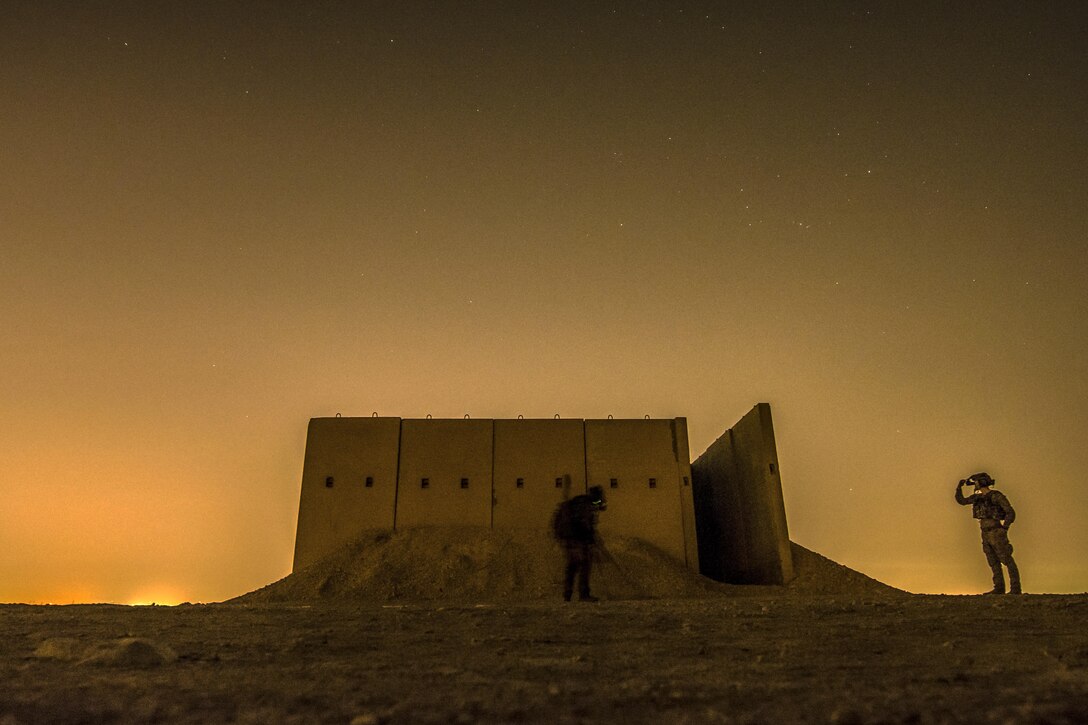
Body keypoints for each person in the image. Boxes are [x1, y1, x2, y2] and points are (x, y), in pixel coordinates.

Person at [955, 472, 1021, 594]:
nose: (976, 485)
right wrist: (959, 488)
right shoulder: (977, 498)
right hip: (985, 532)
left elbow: (1010, 512)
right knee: (993, 561)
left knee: (1006, 559)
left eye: (977, 482)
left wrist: (1004, 528)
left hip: (996, 531)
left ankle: (1015, 589)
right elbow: (962, 501)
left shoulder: (996, 496)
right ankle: (999, 588)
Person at [552, 485, 607, 602]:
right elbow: (584, 525)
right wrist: (589, 539)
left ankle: (567, 594)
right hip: (577, 539)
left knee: (572, 566)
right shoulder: (586, 505)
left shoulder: (578, 502)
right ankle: (584, 594)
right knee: (585, 564)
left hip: (568, 539)